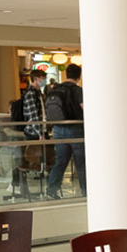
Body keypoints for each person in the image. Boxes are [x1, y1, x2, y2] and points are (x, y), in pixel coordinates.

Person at [47, 64, 86, 199]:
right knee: (80, 162)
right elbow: (84, 108)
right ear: (78, 76)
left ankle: (52, 189)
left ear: (66, 74)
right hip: (75, 129)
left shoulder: (56, 89)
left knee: (61, 161)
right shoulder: (77, 90)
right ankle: (85, 191)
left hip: (57, 129)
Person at [22, 69, 47, 140]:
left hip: (41, 130)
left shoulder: (38, 93)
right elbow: (33, 115)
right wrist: (40, 133)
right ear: (35, 78)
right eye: (42, 78)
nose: (44, 81)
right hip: (33, 132)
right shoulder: (31, 94)